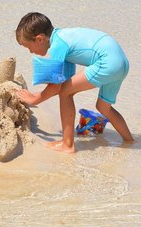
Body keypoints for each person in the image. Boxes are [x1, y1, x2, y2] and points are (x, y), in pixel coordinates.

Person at [15, 12, 134, 153]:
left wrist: (35, 99)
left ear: (39, 39)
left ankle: (67, 144)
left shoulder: (57, 46)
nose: (30, 52)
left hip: (107, 62)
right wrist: (40, 94)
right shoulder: (63, 37)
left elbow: (58, 87)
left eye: (29, 47)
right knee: (103, 107)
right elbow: (63, 81)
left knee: (66, 92)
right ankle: (129, 141)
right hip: (121, 63)